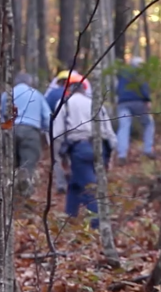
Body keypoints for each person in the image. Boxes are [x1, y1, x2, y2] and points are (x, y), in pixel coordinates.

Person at [50, 75, 117, 228]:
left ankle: (97, 227)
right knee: (75, 184)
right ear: (84, 88)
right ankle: (69, 218)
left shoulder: (64, 104)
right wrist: (111, 155)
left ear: (68, 89)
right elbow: (109, 132)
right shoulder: (94, 103)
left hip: (80, 149)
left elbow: (57, 134)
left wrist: (59, 158)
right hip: (101, 147)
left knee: (89, 188)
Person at [0, 72, 51, 199]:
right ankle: (25, 197)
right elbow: (48, 117)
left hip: (10, 130)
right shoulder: (36, 94)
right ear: (30, 82)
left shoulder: (7, 94)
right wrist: (46, 132)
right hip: (31, 131)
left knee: (11, 165)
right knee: (28, 165)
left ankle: (10, 197)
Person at [115, 57, 154, 160]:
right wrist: (147, 99)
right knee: (148, 124)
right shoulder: (139, 73)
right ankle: (148, 150)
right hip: (138, 102)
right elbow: (143, 86)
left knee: (124, 126)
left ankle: (122, 154)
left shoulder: (123, 74)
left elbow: (117, 89)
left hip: (123, 102)